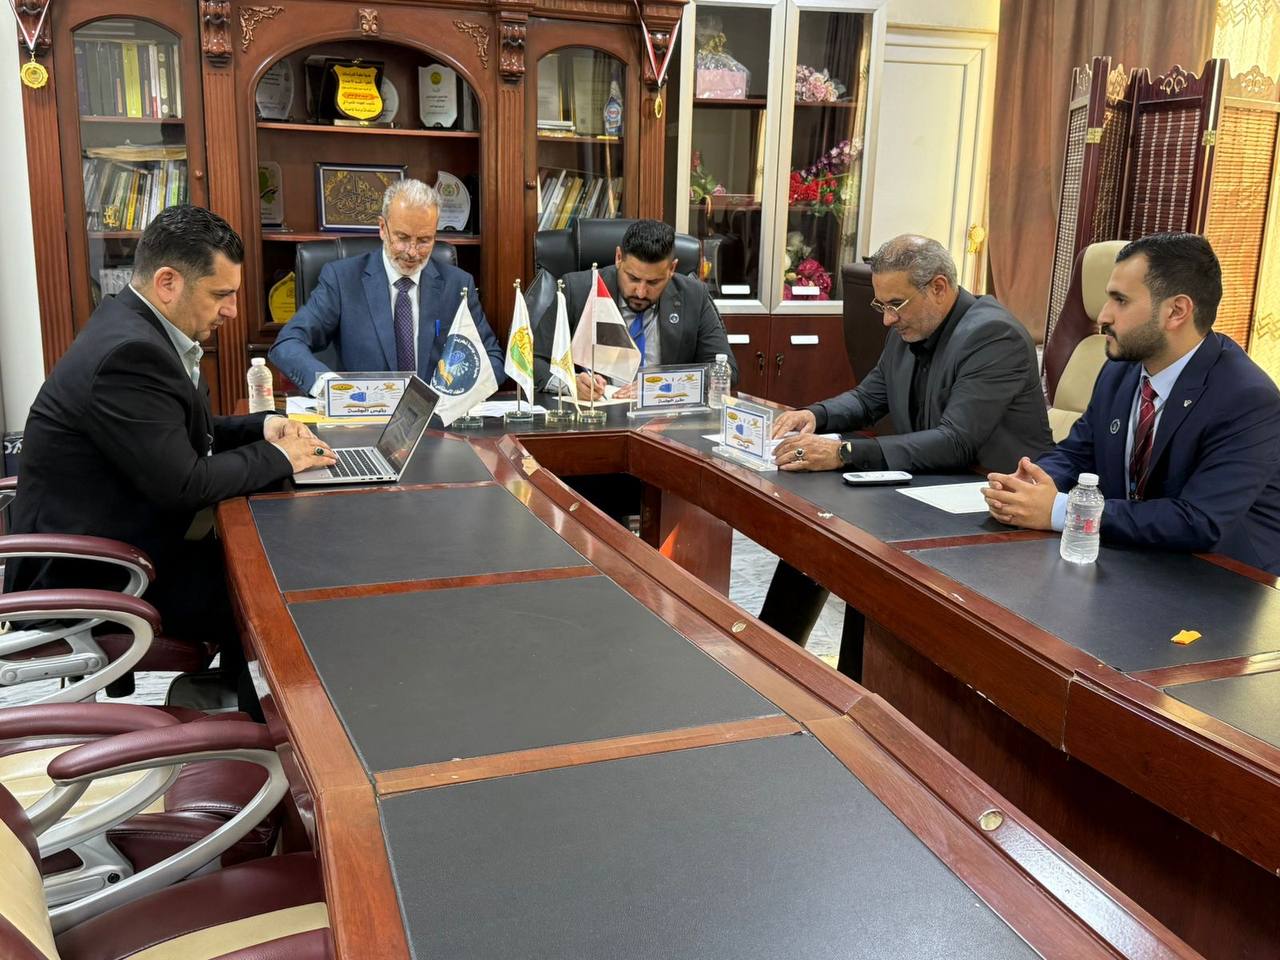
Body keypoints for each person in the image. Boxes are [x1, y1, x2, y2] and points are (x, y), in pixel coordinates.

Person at [5, 205, 336, 696]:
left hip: (116, 535)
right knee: (270, 586)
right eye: (221, 294)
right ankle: (268, 724)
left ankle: (238, 701)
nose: (232, 310)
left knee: (261, 555)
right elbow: (186, 483)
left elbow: (174, 432)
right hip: (98, 571)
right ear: (167, 283)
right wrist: (285, 457)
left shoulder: (133, 326)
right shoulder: (129, 354)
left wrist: (262, 426)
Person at [759, 234, 1053, 675]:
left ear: (939, 287)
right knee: (822, 531)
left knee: (867, 555)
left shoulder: (993, 335)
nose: (887, 319)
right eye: (881, 306)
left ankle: (859, 685)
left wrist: (844, 451)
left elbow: (955, 441)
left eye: (896, 304)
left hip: (993, 510)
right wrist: (815, 415)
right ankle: (771, 667)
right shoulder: (911, 326)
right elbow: (868, 398)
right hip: (931, 488)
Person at [983, 233, 1280, 574]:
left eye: (1120, 301)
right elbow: (1079, 453)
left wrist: (1063, 511)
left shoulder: (1247, 398)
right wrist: (1030, 487)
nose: (1103, 316)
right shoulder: (1120, 370)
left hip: (1222, 579)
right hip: (1132, 558)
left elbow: (1198, 520)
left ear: (1176, 311)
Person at [269, 179, 504, 397]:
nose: (412, 252)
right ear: (382, 228)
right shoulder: (343, 280)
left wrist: (458, 395)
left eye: (424, 240)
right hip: (363, 413)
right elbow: (288, 343)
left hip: (437, 417)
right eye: (402, 238)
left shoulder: (457, 285)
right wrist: (330, 388)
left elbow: (491, 358)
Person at [533, 219, 738, 398]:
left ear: (672, 269)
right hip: (596, 414)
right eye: (633, 278)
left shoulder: (693, 295)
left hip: (663, 416)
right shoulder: (577, 290)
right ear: (618, 258)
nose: (640, 292)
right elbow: (534, 360)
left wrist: (662, 385)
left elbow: (725, 368)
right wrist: (570, 383)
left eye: (653, 282)